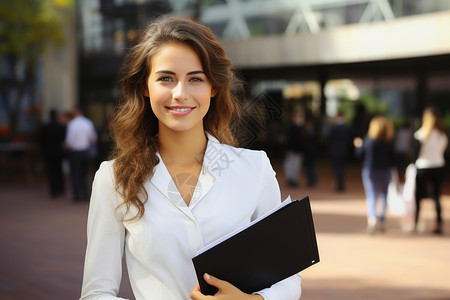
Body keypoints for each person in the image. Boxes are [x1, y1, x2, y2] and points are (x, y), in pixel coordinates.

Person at [80, 16, 302, 300]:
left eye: (195, 78)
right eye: (165, 78)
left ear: (214, 88)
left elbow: (286, 273)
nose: (180, 93)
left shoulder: (255, 168)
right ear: (145, 88)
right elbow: (96, 292)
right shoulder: (113, 179)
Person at [354, 116, 395, 234]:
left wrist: (358, 145)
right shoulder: (389, 142)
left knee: (371, 195)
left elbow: (359, 155)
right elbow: (394, 159)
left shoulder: (368, 141)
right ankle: (381, 219)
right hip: (385, 170)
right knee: (383, 195)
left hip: (370, 170)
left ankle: (372, 220)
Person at [413, 107, 448, 234]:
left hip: (423, 167)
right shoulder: (442, 135)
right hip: (438, 166)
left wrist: (411, 166)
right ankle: (438, 223)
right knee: (436, 196)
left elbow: (415, 154)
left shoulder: (421, 134)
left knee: (418, 196)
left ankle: (416, 222)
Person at [65, 107, 97, 202]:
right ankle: (86, 194)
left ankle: (77, 195)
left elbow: (69, 141)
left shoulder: (72, 124)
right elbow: (93, 138)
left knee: (75, 174)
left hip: (75, 152)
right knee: (84, 173)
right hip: (85, 151)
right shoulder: (88, 123)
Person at [39, 109, 66, 198]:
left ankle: (53, 190)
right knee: (58, 170)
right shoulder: (60, 126)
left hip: (49, 152)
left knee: (51, 172)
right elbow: (64, 138)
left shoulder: (45, 127)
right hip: (58, 152)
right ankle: (60, 189)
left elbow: (41, 140)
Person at [326, 111, 353, 191]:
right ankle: (341, 184)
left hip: (334, 150)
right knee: (342, 168)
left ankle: (339, 184)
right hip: (344, 150)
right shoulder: (347, 127)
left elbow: (328, 138)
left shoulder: (333, 127)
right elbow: (350, 138)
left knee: (336, 168)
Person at [283, 113, 306, 187]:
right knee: (290, 165)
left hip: (296, 150)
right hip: (292, 150)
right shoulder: (292, 128)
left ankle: (294, 180)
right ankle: (292, 180)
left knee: (295, 166)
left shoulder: (298, 128)